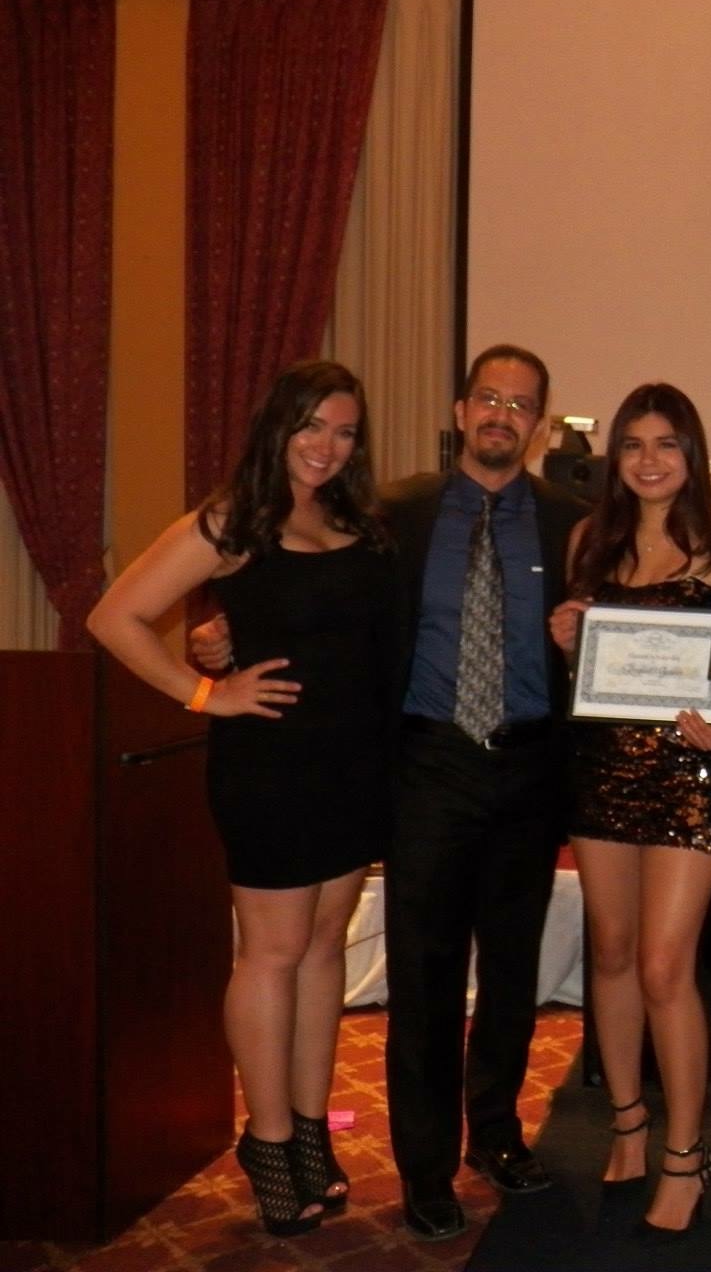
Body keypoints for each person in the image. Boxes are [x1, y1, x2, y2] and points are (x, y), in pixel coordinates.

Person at [201, 344, 589, 1239]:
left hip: (531, 764)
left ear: (539, 425)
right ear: (460, 411)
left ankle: (497, 1135)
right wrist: (219, 637)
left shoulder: (573, 522)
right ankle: (424, 1166)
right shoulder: (391, 513)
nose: (501, 415)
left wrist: (585, 630)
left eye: (520, 404)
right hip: (426, 764)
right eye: (488, 397)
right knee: (424, 975)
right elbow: (310, 599)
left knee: (512, 972)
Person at [88, 360, 395, 1237]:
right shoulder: (233, 517)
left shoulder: (351, 520)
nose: (326, 446)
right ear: (277, 426)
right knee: (272, 953)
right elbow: (114, 617)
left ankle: (309, 1127)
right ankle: (267, 1140)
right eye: (311, 426)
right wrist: (203, 692)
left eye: (343, 431)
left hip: (350, 766)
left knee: (323, 949)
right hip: (271, 766)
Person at [546, 383, 711, 1238]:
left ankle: (686, 1153)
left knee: (666, 965)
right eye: (633, 444)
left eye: (667, 444)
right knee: (613, 951)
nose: (650, 460)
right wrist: (566, 641)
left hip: (690, 769)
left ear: (691, 454)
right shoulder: (589, 539)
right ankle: (627, 1123)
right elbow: (587, 671)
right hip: (601, 765)